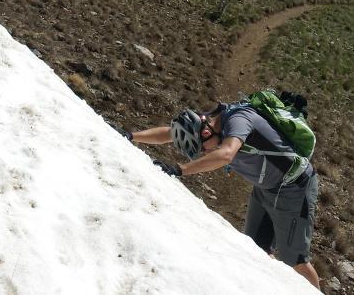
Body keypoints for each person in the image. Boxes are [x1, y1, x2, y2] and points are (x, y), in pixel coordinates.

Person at [121, 101, 321, 289]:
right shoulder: (208, 126)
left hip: (294, 187)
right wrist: (131, 136)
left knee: (295, 260)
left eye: (202, 148)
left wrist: (180, 169)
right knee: (256, 249)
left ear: (206, 131)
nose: (205, 151)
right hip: (266, 188)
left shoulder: (238, 120)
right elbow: (170, 133)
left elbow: (226, 154)